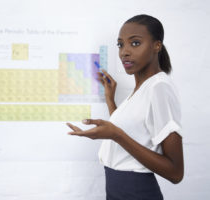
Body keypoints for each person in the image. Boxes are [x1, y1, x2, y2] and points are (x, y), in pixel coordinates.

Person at [66, 14, 184, 200]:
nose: (124, 52)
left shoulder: (159, 87)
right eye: (120, 45)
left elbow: (175, 172)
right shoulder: (141, 89)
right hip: (117, 189)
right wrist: (110, 100)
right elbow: (133, 133)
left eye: (135, 43)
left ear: (157, 46)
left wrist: (115, 134)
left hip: (136, 191)